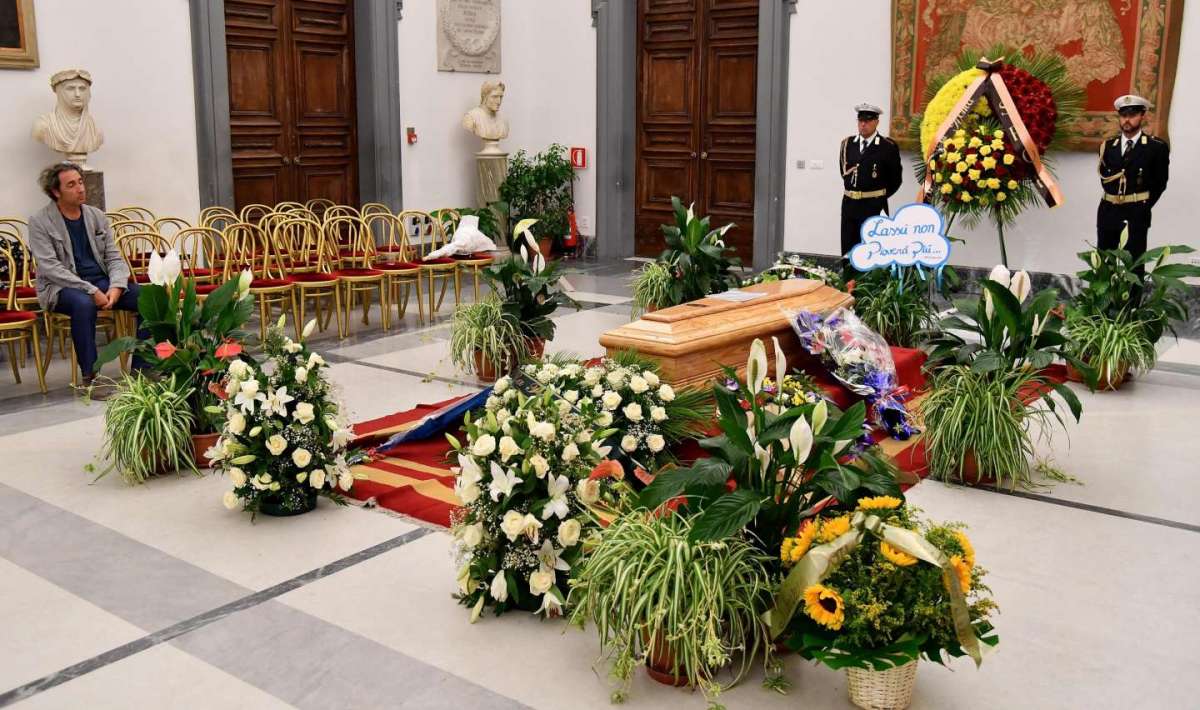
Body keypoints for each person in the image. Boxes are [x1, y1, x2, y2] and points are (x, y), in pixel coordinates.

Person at [29, 162, 139, 385]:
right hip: (61, 287)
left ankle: (143, 369)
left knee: (148, 297)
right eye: (71, 185)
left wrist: (117, 286)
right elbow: (51, 268)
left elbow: (114, 258)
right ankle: (91, 376)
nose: (80, 188)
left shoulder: (96, 216)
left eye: (80, 182)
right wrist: (90, 290)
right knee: (83, 303)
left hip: (100, 281)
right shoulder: (40, 222)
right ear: (56, 192)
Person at [1096, 94, 1169, 267]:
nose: (1127, 120)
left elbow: (1160, 183)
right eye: (1123, 115)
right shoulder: (1108, 146)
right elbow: (1106, 180)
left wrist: (1141, 205)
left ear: (1143, 115)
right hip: (1108, 212)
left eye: (1132, 115)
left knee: (1134, 267)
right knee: (1104, 266)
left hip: (1136, 214)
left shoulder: (1156, 147)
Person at [839, 103, 903, 258]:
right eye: (860, 120)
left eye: (867, 121)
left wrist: (878, 196)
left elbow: (896, 179)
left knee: (871, 253)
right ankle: (848, 274)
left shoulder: (887, 146)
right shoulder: (847, 144)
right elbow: (844, 173)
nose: (863, 124)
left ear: (876, 122)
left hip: (873, 206)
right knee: (848, 251)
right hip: (849, 205)